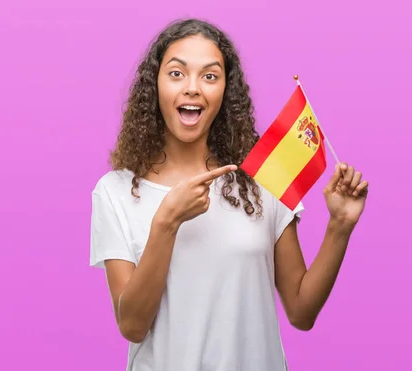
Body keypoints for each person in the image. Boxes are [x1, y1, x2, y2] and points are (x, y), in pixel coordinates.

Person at [89, 18, 369, 371]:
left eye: (210, 76)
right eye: (177, 73)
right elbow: (131, 325)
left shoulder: (262, 181)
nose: (193, 88)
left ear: (225, 91)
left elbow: (301, 311)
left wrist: (340, 226)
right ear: (154, 86)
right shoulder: (114, 192)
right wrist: (166, 222)